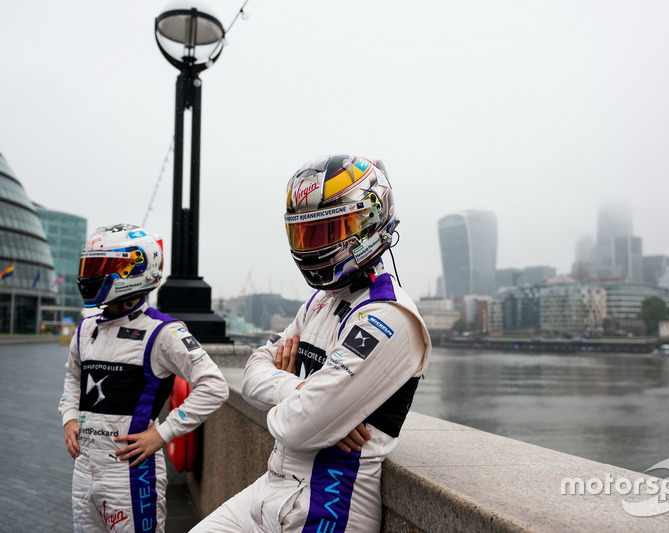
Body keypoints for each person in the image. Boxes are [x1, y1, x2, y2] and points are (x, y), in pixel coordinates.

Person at [193, 154, 431, 532]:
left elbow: (296, 426)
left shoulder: (390, 316)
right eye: (307, 234)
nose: (313, 247)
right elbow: (252, 371)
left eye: (327, 232)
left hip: (325, 506)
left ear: (369, 219)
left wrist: (298, 401)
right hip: (271, 486)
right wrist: (301, 389)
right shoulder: (321, 301)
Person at [59, 223, 229, 533]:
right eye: (90, 266)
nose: (90, 275)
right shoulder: (85, 329)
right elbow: (73, 377)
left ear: (134, 269)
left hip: (130, 472)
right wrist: (69, 416)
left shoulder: (163, 331)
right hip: (83, 469)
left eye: (101, 267)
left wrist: (163, 433)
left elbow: (215, 386)